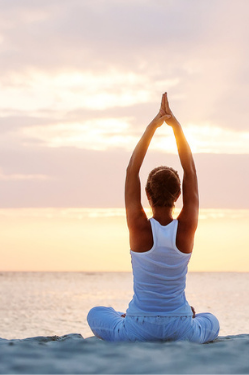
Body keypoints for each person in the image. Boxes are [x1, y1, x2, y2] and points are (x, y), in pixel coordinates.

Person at [86, 93, 220, 343]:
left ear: (146, 194)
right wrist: (175, 127)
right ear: (178, 195)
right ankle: (183, 315)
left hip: (138, 327)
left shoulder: (138, 227)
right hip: (181, 326)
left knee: (96, 313)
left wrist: (153, 126)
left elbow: (131, 170)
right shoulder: (186, 228)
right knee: (212, 320)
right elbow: (190, 169)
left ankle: (125, 317)